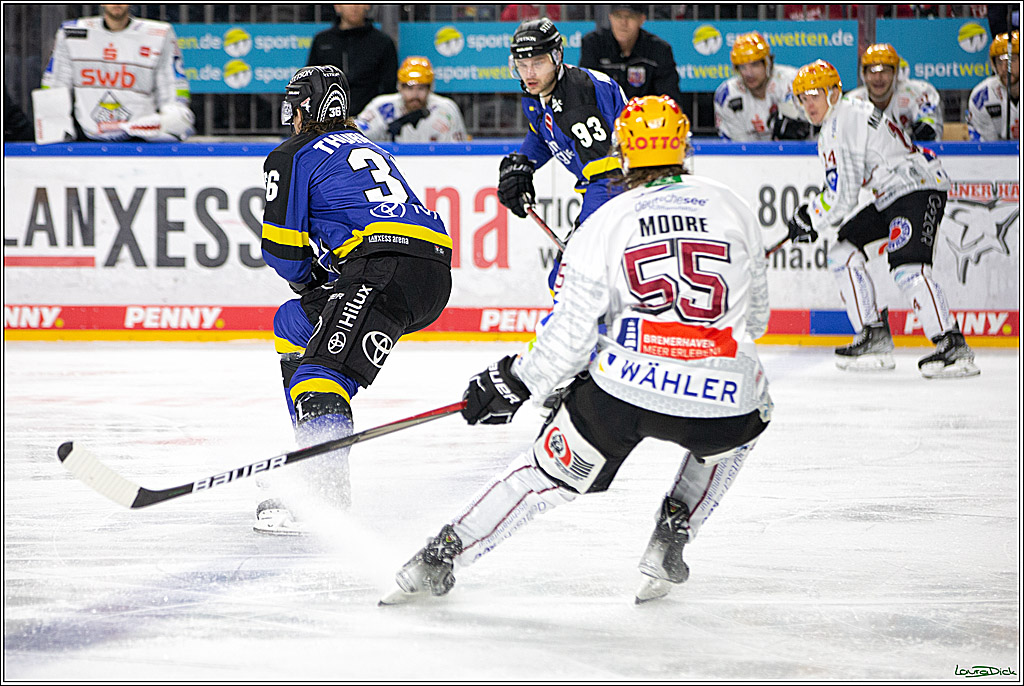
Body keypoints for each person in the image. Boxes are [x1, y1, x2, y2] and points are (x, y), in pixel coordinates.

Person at [380, 95, 773, 605]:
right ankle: (673, 530)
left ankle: (440, 558)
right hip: (722, 395)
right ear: (684, 147)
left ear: (623, 152)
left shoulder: (606, 219)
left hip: (624, 391)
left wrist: (513, 381)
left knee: (541, 477)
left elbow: (570, 334)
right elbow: (757, 319)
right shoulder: (733, 204)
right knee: (744, 424)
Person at [256, 65, 453, 533]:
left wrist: (308, 279)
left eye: (295, 106)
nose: (291, 117)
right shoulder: (367, 144)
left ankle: (322, 495)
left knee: (320, 374)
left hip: (384, 268)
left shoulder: (292, 153)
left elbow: (281, 251)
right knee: (292, 324)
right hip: (428, 272)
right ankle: (312, 457)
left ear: (308, 109)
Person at [786, 60, 979, 378]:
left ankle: (951, 343)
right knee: (842, 252)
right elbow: (840, 188)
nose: (808, 105)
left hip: (916, 188)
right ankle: (872, 334)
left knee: (907, 268)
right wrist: (814, 214)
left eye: (814, 95)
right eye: (802, 98)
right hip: (892, 195)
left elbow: (842, 197)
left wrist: (810, 217)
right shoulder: (848, 113)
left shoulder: (838, 125)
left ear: (834, 93)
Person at [497, 17, 627, 290]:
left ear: (557, 57)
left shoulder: (579, 102)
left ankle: (578, 332)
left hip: (622, 196)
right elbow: (543, 134)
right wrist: (525, 162)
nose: (529, 73)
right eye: (522, 65)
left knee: (569, 278)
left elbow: (610, 176)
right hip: (610, 189)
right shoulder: (540, 90)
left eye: (538, 62)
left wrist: (586, 229)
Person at [37, 4, 193, 142]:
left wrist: (168, 121)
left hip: (140, 142)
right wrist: (55, 135)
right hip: (87, 138)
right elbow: (55, 86)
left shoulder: (159, 34)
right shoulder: (72, 32)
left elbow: (173, 94)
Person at [714, 31, 810, 141]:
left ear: (768, 63)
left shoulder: (794, 82)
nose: (748, 73)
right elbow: (738, 148)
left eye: (755, 65)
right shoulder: (727, 96)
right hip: (750, 155)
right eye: (742, 67)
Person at [306, 5, 399, 119]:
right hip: (328, 118)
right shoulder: (322, 40)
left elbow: (388, 86)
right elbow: (311, 80)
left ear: (367, 6)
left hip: (372, 120)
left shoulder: (383, 42)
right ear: (337, 7)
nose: (354, 7)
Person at [579, 4, 684, 104]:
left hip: (645, 118)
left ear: (642, 19)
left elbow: (669, 98)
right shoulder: (593, 43)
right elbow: (587, 92)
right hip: (606, 116)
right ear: (610, 17)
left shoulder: (659, 49)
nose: (623, 22)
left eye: (630, 17)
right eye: (618, 16)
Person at [355, 56, 468, 142]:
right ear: (399, 87)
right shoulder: (381, 107)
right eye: (409, 88)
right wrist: (383, 130)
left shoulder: (445, 109)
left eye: (421, 88)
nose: (415, 95)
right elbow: (356, 135)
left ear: (430, 88)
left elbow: (459, 150)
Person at [847, 43, 943, 141]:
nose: (878, 78)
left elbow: (932, 134)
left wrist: (923, 130)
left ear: (895, 73)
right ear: (864, 75)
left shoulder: (917, 93)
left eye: (884, 71)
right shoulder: (850, 103)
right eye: (872, 71)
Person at [967, 31, 1019, 141]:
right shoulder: (982, 97)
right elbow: (988, 150)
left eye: (1011, 60)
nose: (1005, 68)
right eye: (1000, 62)